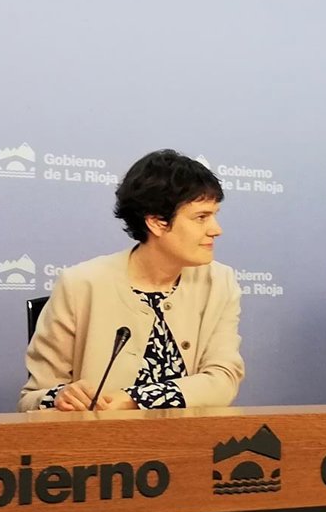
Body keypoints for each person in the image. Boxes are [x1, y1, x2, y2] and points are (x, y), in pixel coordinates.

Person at [19, 149, 245, 412]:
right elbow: (32, 399)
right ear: (156, 222)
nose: (216, 229)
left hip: (190, 437)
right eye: (201, 217)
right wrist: (61, 397)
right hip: (101, 437)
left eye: (215, 215)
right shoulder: (81, 284)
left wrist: (134, 399)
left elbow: (223, 379)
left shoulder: (220, 282)